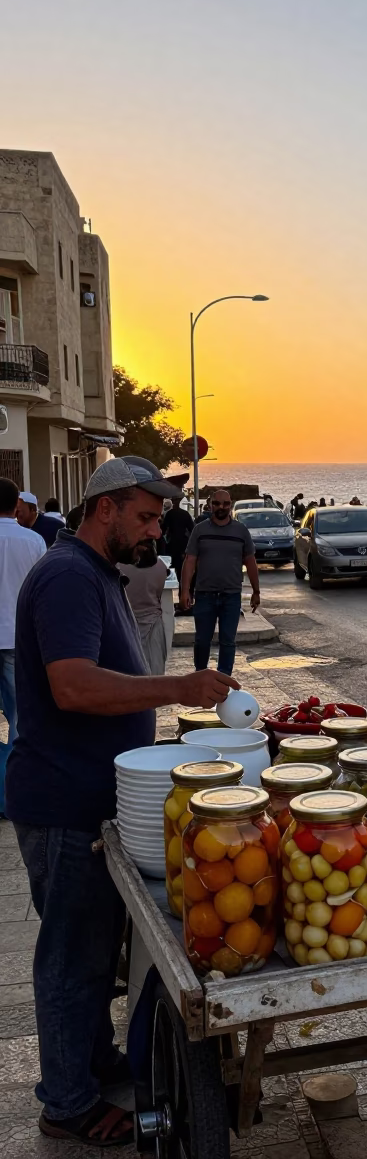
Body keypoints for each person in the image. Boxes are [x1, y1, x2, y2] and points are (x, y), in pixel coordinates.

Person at [5, 454, 239, 1146]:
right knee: (72, 958)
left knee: (95, 947)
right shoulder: (68, 576)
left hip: (90, 794)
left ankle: (92, 1058)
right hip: (63, 799)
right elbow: (74, 686)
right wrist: (177, 690)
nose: (154, 530)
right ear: (104, 508)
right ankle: (68, 1101)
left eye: (158, 518)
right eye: (144, 516)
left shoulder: (96, 572)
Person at [0, 478, 45, 814]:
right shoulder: (33, 541)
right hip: (17, 639)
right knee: (20, 719)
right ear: (17, 505)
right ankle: (11, 795)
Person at [181, 488, 260, 675]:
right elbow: (189, 560)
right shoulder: (200, 530)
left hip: (231, 596)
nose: (221, 507)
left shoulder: (241, 531)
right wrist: (185, 591)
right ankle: (200, 674)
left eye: (225, 504)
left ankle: (224, 679)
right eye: (216, 503)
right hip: (204, 595)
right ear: (210, 505)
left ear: (230, 505)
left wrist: (256, 591)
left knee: (228, 641)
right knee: (202, 640)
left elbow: (250, 562)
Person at [117, 543, 169, 675]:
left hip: (125, 622)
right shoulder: (161, 567)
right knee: (155, 670)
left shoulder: (118, 566)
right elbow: (159, 594)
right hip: (153, 624)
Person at [160, 496, 194, 579]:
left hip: (172, 544)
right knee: (182, 567)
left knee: (172, 566)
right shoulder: (185, 514)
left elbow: (163, 529)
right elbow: (192, 529)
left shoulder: (170, 514)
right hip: (183, 544)